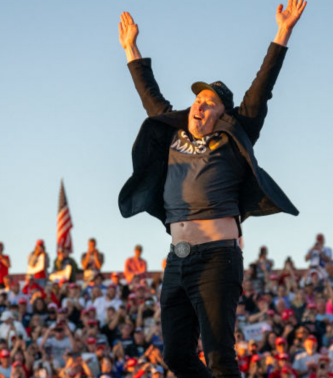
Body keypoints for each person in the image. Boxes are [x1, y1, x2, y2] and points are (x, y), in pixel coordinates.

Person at [117, 1, 306, 376]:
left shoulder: (234, 137)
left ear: (223, 113)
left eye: (210, 102)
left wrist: (283, 32)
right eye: (198, 99)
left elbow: (261, 88)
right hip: (177, 258)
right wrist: (130, 49)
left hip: (217, 258)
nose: (199, 105)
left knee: (220, 358)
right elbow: (148, 93)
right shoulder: (173, 131)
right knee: (176, 356)